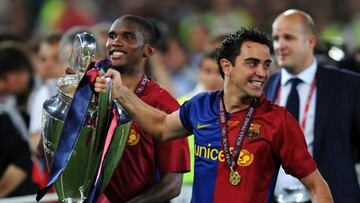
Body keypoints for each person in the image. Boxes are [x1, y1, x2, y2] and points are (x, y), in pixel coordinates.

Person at [95, 28, 333, 203]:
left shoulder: (278, 120)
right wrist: (121, 93)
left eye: (266, 64)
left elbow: (316, 186)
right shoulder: (201, 106)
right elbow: (161, 126)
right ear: (227, 66)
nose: (261, 72)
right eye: (252, 63)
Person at [265, 9, 360, 202]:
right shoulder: (262, 88)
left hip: (332, 196)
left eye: (288, 37)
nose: (280, 45)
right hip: (274, 198)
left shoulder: (348, 85)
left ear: (311, 41)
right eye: (276, 38)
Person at [97, 15, 190, 202]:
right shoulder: (94, 92)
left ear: (149, 50)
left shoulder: (164, 105)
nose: (116, 42)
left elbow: (172, 185)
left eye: (128, 37)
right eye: (112, 36)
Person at [172, 50, 223, 203]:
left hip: (217, 185)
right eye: (208, 71)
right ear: (199, 72)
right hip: (184, 187)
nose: (213, 77)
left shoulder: (235, 109)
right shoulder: (182, 105)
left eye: (218, 72)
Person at [0, 43, 39, 197]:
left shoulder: (42, 96)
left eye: (4, 78)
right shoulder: (11, 101)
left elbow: (22, 159)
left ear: (22, 74)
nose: (1, 85)